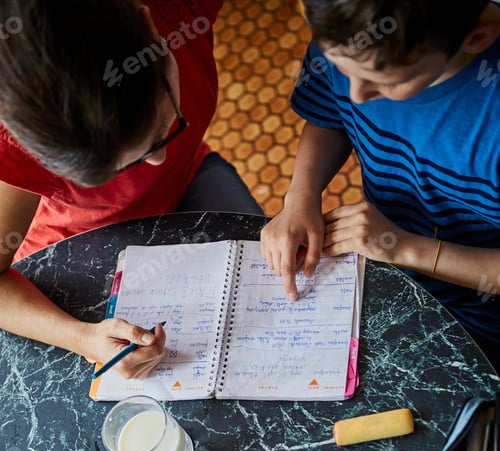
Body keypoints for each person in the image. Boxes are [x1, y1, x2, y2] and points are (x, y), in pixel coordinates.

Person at [0, 0, 262, 378]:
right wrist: (84, 338)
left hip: (189, 180)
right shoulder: (12, 145)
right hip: (82, 243)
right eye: (113, 170)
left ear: (149, 23)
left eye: (162, 132)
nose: (157, 162)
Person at [261, 0, 500, 373]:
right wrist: (300, 197)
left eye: (387, 81)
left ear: (479, 35)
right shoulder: (351, 31)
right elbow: (332, 116)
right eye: (340, 67)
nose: (357, 95)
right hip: (388, 270)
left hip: (482, 322)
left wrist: (404, 247)